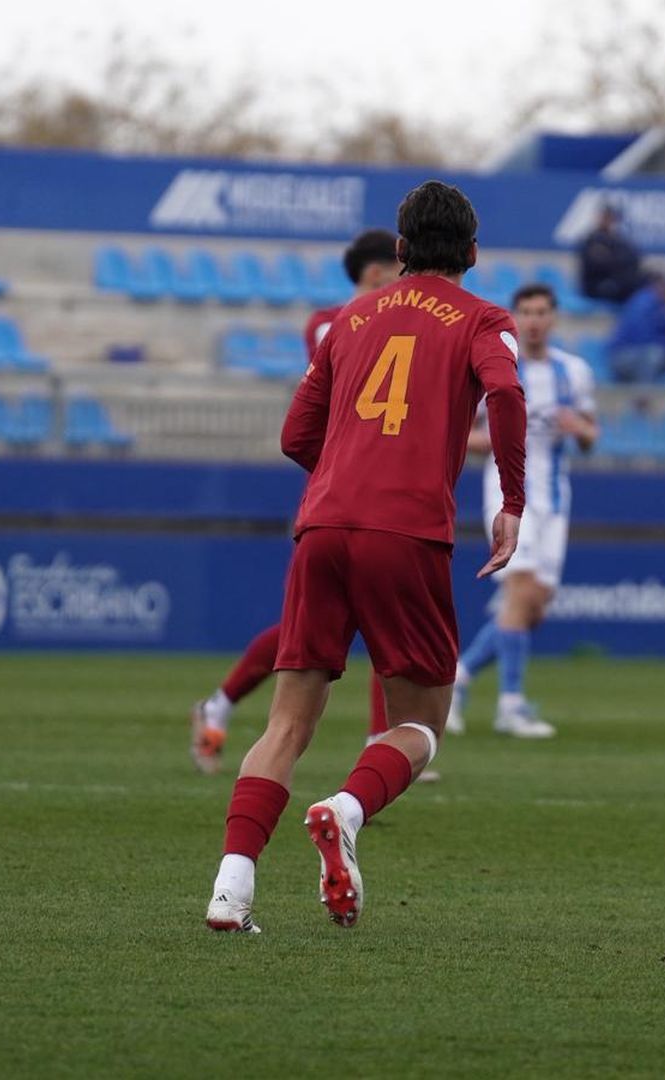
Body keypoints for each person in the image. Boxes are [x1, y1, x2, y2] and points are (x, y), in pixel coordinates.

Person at [204, 180, 527, 933]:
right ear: (473, 255)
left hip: (321, 526)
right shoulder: (483, 318)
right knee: (418, 727)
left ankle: (230, 889)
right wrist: (511, 501)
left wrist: (349, 469)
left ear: (403, 250)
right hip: (405, 532)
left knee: (285, 724)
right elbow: (507, 395)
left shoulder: (350, 318)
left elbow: (294, 437)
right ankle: (345, 811)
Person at [189, 229, 405, 775]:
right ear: (377, 272)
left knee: (379, 618)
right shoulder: (333, 323)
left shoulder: (398, 320)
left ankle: (378, 743)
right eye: (398, 269)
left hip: (378, 489)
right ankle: (220, 703)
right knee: (305, 631)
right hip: (339, 488)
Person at [449, 283, 599, 739]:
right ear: (514, 317)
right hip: (508, 491)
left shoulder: (573, 372)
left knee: (533, 606)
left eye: (542, 312)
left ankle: (457, 678)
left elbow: (591, 438)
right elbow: (464, 438)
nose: (534, 320)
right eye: (526, 312)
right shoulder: (495, 366)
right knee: (524, 588)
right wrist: (498, 439)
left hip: (556, 498)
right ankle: (510, 705)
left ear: (553, 319)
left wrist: (580, 430)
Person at [607, 271, 665, 389]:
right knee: (654, 355)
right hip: (624, 355)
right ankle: (643, 400)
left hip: (660, 352)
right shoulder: (641, 303)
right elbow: (643, 338)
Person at [577, 203, 644, 306]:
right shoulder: (591, 240)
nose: (608, 221)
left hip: (616, 281)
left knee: (643, 282)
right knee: (628, 288)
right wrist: (616, 260)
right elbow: (599, 263)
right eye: (605, 217)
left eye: (610, 217)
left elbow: (633, 257)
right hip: (596, 285)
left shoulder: (617, 239)